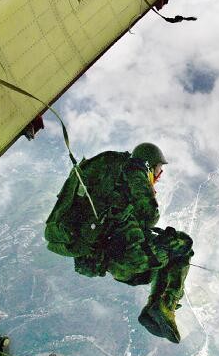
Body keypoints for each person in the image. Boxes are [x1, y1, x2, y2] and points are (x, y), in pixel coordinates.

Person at [44, 142, 193, 344]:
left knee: (155, 266)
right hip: (129, 260)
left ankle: (157, 309)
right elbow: (150, 216)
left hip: (106, 259)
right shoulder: (135, 171)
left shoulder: (112, 171)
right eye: (158, 170)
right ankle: (163, 306)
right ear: (149, 165)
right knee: (183, 244)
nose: (159, 176)